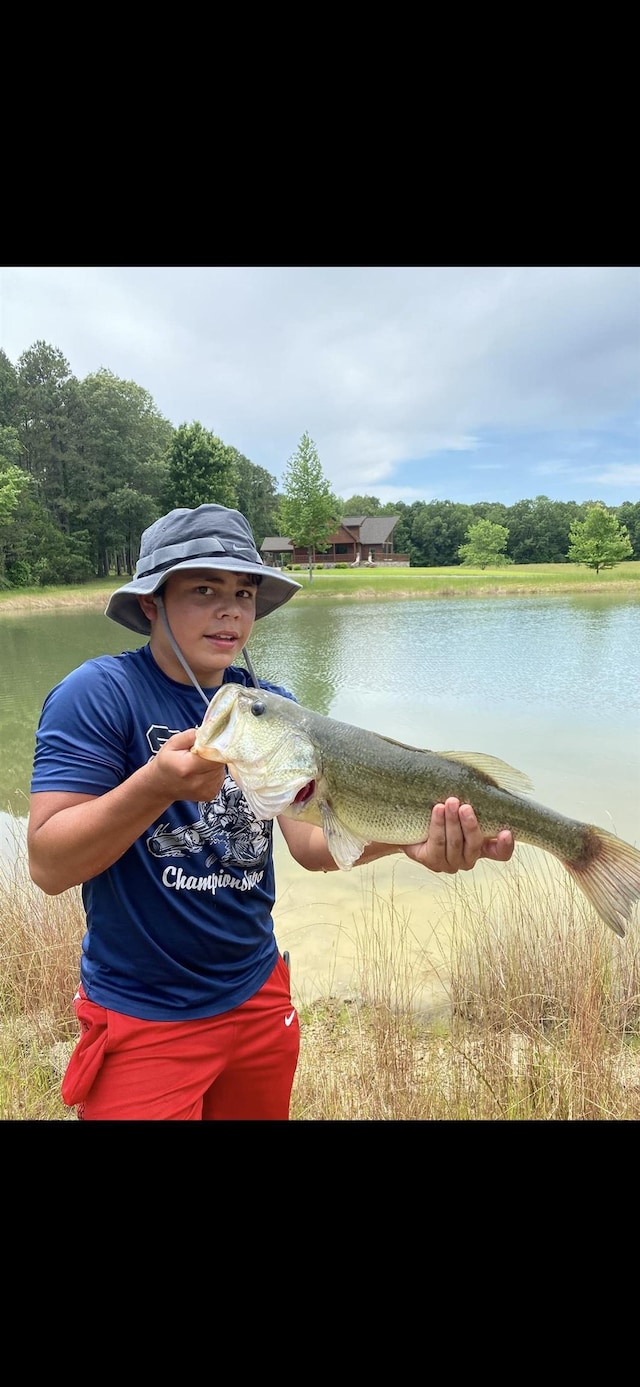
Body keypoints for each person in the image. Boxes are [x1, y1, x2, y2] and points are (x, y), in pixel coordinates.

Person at [27, 504, 515, 1121]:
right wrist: (155, 786)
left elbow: (313, 848)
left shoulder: (270, 705)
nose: (230, 610)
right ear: (151, 603)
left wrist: (413, 839)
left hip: (258, 993)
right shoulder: (98, 695)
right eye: (204, 590)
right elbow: (47, 864)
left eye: (243, 592)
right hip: (143, 1011)